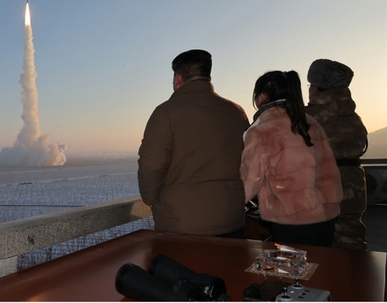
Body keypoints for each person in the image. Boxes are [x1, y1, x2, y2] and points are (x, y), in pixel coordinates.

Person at [138, 49, 250, 237]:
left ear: (178, 78)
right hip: (232, 219)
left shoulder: (166, 113)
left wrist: (150, 198)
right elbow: (247, 162)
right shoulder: (236, 113)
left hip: (182, 226)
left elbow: (151, 167)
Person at [240, 70, 343, 247]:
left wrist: (227, 205)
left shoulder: (260, 131)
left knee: (292, 272)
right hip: (326, 214)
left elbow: (249, 183)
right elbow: (329, 167)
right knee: (320, 269)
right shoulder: (310, 121)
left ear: (262, 96)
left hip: (292, 218)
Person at [306, 59, 368, 250]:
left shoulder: (307, 117)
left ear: (315, 88)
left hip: (322, 187)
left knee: (318, 249)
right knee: (352, 240)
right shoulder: (353, 117)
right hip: (354, 186)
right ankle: (356, 278)